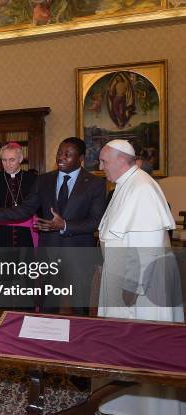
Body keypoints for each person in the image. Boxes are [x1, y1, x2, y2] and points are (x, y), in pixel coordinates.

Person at [96, 139, 185, 415]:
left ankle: (153, 407)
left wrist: (129, 288)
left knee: (148, 348)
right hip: (127, 280)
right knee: (131, 350)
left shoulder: (142, 189)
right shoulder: (127, 184)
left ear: (122, 160)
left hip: (142, 289)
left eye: (103, 162)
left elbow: (144, 250)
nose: (100, 168)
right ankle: (132, 397)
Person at [0, 137, 106, 316]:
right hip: (49, 254)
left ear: (81, 158)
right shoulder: (44, 180)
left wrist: (65, 225)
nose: (61, 157)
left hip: (78, 255)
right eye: (59, 153)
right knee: (47, 307)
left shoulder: (95, 184)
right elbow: (25, 209)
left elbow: (96, 221)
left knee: (80, 308)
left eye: (68, 154)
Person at [0, 142, 37, 249]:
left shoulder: (33, 179)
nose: (7, 164)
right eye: (4, 160)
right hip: (0, 236)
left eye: (12, 160)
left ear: (20, 159)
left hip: (27, 236)